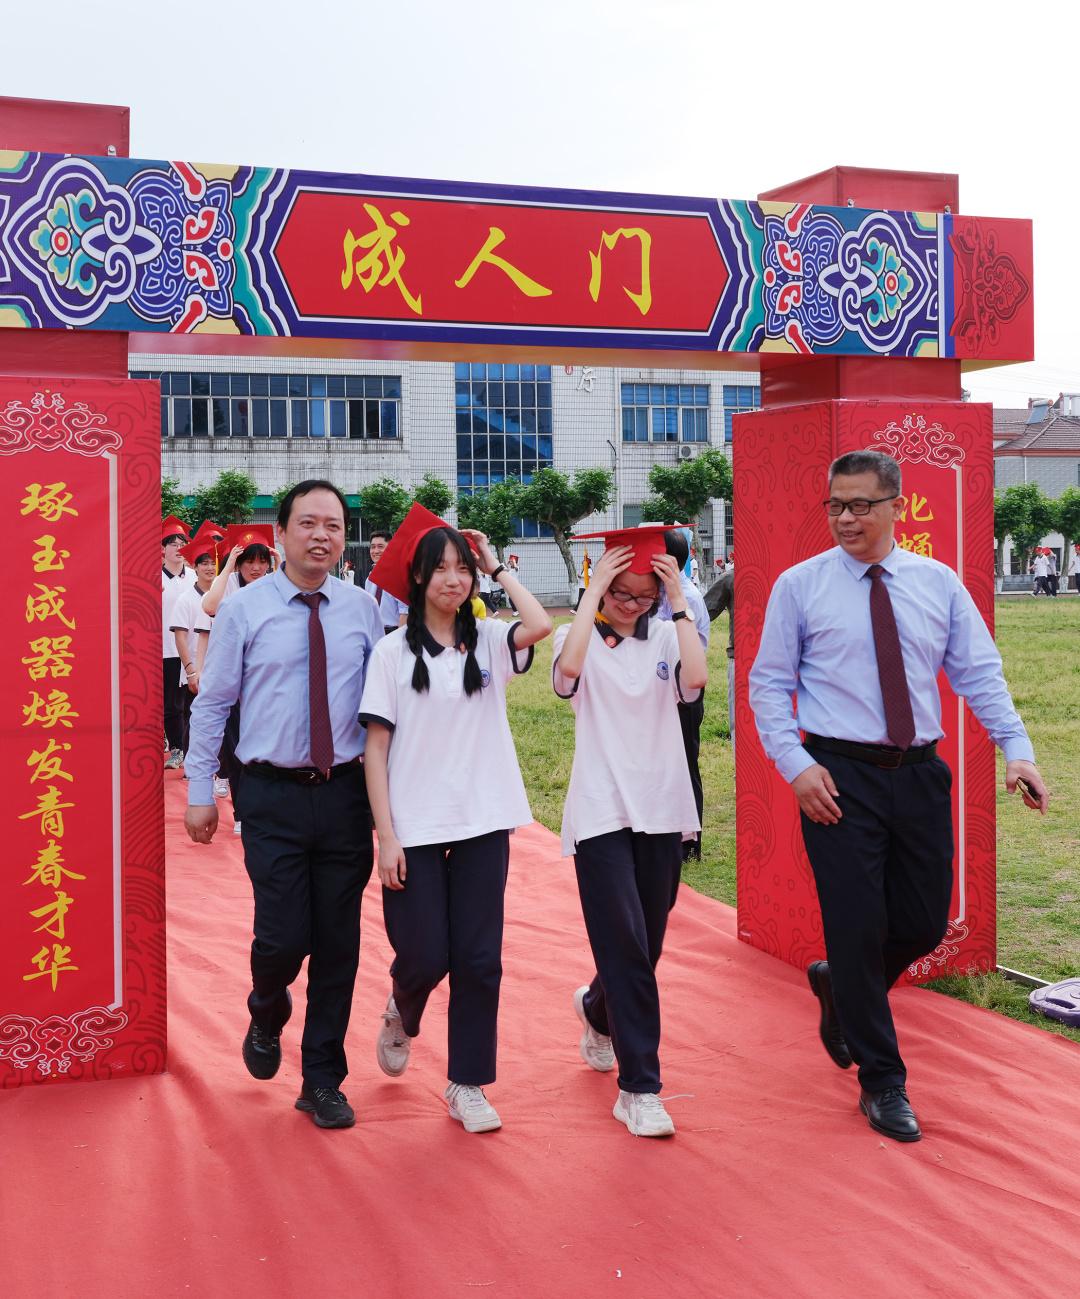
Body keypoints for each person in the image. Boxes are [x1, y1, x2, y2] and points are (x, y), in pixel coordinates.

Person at [748, 450, 1048, 1144]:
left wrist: (1018, 749)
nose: (846, 519)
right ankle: (882, 1079)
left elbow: (980, 673)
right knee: (855, 927)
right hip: (836, 778)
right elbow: (768, 684)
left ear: (895, 506)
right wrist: (796, 765)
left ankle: (841, 988)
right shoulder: (801, 586)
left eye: (861, 505)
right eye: (836, 506)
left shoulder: (936, 583)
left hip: (918, 774)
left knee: (921, 922)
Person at [184, 480, 383, 1131]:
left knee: (338, 943)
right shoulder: (244, 609)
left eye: (333, 525)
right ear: (280, 533)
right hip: (269, 794)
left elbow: (383, 710)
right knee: (282, 936)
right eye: (308, 523)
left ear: (344, 537)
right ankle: (267, 1007)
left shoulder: (362, 609)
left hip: (346, 793)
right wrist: (200, 792)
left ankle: (322, 1078)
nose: (321, 535)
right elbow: (213, 703)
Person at [360, 504, 552, 1133]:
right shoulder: (390, 653)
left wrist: (496, 566)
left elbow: (541, 624)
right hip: (414, 825)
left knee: (479, 958)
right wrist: (386, 836)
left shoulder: (489, 640)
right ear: (417, 578)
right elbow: (376, 750)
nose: (453, 579)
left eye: (462, 568)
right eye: (440, 569)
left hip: (483, 818)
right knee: (423, 953)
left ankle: (467, 1083)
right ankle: (403, 1004)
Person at [553, 525, 707, 1138]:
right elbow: (566, 673)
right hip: (600, 811)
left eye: (645, 597)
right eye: (623, 594)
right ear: (603, 586)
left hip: (661, 807)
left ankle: (597, 1009)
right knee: (624, 946)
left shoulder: (668, 634)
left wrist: (677, 602)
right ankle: (640, 1089)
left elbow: (695, 682)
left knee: (647, 944)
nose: (633, 605)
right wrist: (592, 597)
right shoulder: (577, 637)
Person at [655, 528, 710, 860]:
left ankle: (691, 841)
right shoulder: (658, 593)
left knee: (686, 763)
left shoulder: (686, 597)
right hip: (661, 691)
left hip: (685, 691)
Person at [169, 535, 218, 788]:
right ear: (195, 567)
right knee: (193, 719)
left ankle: (219, 767)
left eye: (213, 563)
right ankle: (191, 765)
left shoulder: (224, 593)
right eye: (204, 563)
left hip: (221, 670)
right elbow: (180, 636)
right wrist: (190, 670)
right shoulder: (187, 599)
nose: (209, 568)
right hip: (196, 670)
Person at [161, 515, 195, 769]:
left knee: (192, 703)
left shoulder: (195, 576)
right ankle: (176, 748)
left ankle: (192, 748)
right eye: (173, 543)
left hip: (193, 649)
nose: (178, 548)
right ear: (163, 548)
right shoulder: (154, 578)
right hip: (166, 648)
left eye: (182, 543)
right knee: (172, 704)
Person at [704, 563, 735, 755]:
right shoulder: (732, 578)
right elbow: (703, 614)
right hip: (740, 658)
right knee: (739, 723)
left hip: (782, 662)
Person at [365, 530, 409, 634]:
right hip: (373, 633)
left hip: (393, 633)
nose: (375, 551)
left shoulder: (399, 576)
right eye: (373, 547)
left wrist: (398, 640)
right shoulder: (370, 579)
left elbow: (405, 613)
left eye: (380, 546)